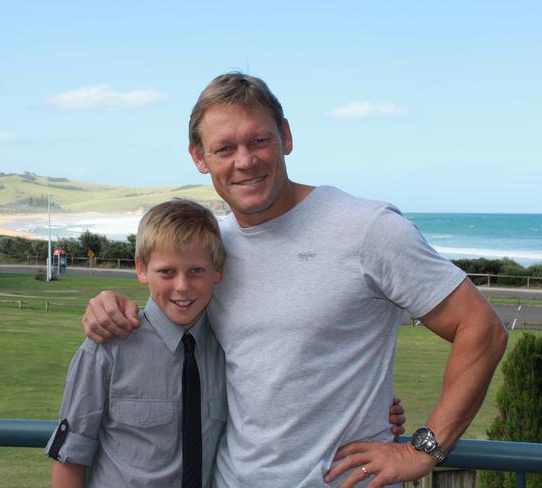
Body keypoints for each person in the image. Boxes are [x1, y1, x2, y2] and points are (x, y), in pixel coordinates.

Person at [82, 73, 507, 487]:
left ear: (285, 136)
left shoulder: (367, 228)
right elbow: (178, 318)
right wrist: (109, 305)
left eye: (259, 140)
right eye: (224, 148)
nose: (245, 160)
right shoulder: (214, 249)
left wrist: (422, 451)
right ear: (199, 157)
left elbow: (481, 330)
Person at [47, 199, 228, 487]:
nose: (182, 286)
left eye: (196, 270)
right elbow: (71, 457)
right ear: (142, 269)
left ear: (217, 270)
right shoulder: (106, 347)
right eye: (167, 271)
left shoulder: (228, 351)